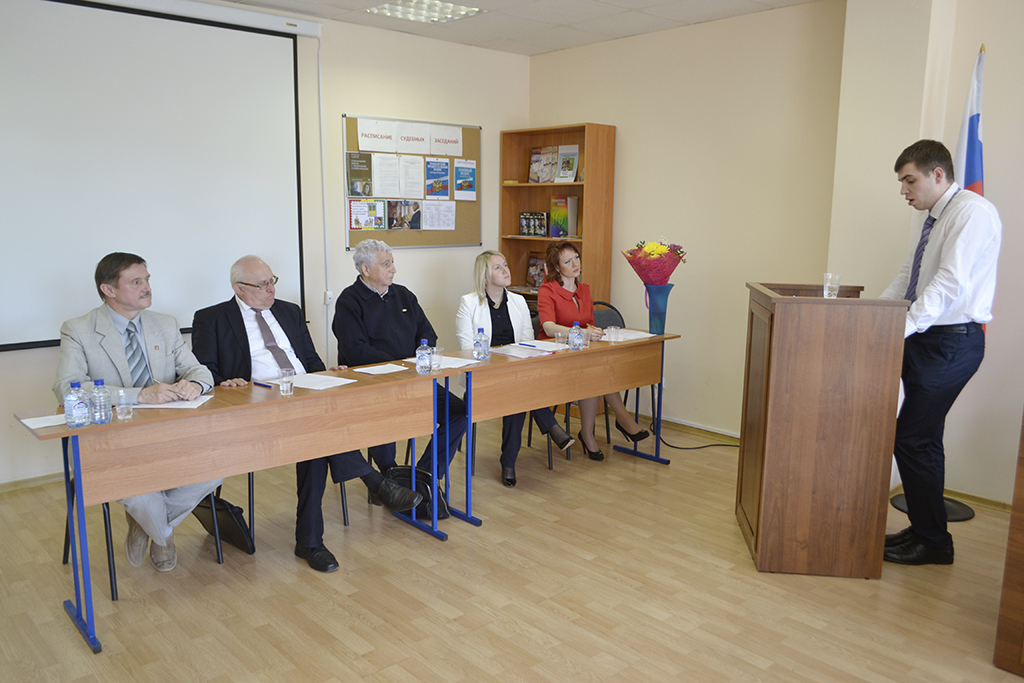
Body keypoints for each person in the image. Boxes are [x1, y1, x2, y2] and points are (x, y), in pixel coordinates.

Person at [191, 256, 422, 573]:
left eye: (272, 281)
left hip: (305, 398)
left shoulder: (290, 311)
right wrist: (225, 382)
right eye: (262, 285)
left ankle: (312, 541)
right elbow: (205, 373)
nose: (271, 289)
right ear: (239, 289)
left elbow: (310, 360)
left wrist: (327, 375)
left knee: (315, 438)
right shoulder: (211, 319)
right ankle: (372, 486)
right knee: (316, 435)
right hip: (257, 405)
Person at [53, 252, 222, 573]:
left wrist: (195, 385)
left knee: (218, 465)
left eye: (147, 279)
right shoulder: (79, 329)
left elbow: (198, 370)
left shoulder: (165, 324)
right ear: (108, 290)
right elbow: (67, 388)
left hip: (169, 432)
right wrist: (139, 395)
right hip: (112, 438)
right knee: (134, 486)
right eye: (136, 282)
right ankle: (163, 536)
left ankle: (146, 524)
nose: (147, 287)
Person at [879, 140, 1001, 566]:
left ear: (937, 174)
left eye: (909, 180)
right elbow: (908, 277)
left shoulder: (971, 212)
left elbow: (949, 283)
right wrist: (876, 319)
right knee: (923, 440)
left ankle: (933, 541)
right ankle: (926, 532)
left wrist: (899, 329)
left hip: (951, 341)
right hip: (927, 338)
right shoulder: (933, 218)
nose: (903, 190)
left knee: (912, 439)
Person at [333, 239, 467, 476]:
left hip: (414, 379)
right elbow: (355, 350)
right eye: (386, 264)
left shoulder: (404, 295)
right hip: (375, 385)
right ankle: (391, 480)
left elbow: (427, 333)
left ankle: (425, 475)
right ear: (366, 269)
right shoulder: (349, 301)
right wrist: (399, 365)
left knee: (460, 413)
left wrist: (417, 359)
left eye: (392, 262)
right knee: (385, 423)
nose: (393, 269)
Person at [455, 251, 576, 487]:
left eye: (505, 265)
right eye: (498, 267)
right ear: (485, 276)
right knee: (519, 394)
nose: (506, 270)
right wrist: (501, 360)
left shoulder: (519, 301)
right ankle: (549, 430)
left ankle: (509, 462)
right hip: (483, 377)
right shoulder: (469, 303)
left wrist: (513, 362)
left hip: (517, 375)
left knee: (516, 394)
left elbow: (527, 343)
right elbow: (467, 348)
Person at [537, 241, 650, 460]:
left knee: (599, 368)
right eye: (567, 261)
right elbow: (548, 327)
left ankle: (591, 432)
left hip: (581, 352)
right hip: (556, 355)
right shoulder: (547, 290)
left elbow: (588, 322)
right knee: (595, 370)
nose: (575, 264)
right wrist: (581, 333)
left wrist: (594, 331)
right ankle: (619, 421)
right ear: (557, 267)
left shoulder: (584, 290)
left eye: (576, 258)